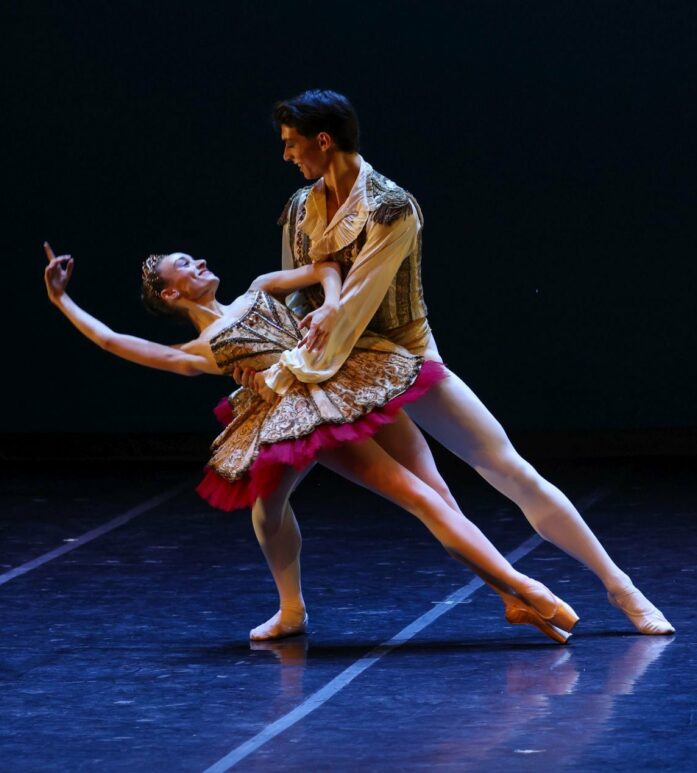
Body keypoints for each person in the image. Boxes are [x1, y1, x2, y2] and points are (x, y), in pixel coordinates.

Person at [237, 89, 674, 636]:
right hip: (332, 371)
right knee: (279, 497)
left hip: (400, 359)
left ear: (323, 140)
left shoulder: (392, 207)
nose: (287, 156)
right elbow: (297, 291)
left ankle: (620, 588)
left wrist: (305, 350)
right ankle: (296, 608)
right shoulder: (302, 208)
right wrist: (269, 353)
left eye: (292, 143)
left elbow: (356, 305)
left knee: (508, 470)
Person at [41, 242, 578, 644]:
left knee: (424, 494)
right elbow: (115, 341)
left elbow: (325, 268)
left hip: (335, 392)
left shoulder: (257, 289)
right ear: (171, 294)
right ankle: (292, 609)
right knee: (266, 510)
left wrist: (329, 304)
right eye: (183, 265)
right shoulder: (201, 348)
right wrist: (62, 300)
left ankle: (517, 589)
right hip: (289, 417)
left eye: (193, 256)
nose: (197, 262)